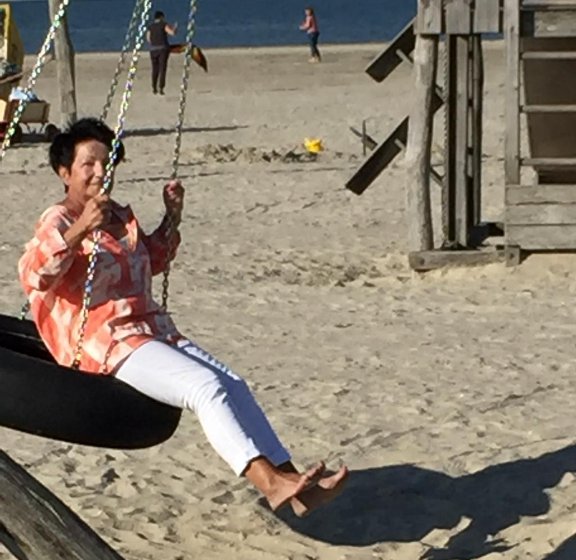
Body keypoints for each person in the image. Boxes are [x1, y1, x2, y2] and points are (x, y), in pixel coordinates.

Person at [18, 119, 348, 516]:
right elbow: (33, 274)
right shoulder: (59, 219)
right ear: (65, 173)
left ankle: (296, 487)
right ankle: (270, 483)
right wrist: (80, 230)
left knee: (233, 384)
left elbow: (152, 261)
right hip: (104, 341)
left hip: (150, 330)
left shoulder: (119, 216)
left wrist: (172, 216)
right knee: (204, 388)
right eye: (88, 164)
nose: (100, 171)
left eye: (107, 162)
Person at [146, 10, 176, 95]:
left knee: (155, 69)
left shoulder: (150, 27)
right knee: (162, 68)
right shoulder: (163, 25)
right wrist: (175, 29)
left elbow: (148, 38)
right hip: (163, 49)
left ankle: (154, 87)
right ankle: (161, 87)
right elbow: (171, 33)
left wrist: (154, 42)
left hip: (153, 49)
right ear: (161, 17)